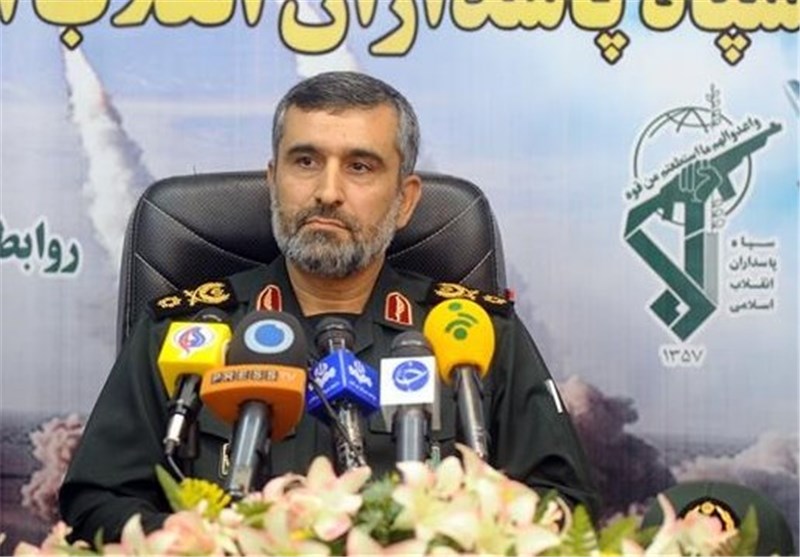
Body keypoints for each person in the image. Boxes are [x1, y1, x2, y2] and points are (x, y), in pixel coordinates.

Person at [59, 71, 600, 543]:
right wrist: (214, 545)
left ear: (405, 199)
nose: (327, 191)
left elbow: (563, 505)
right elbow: (97, 502)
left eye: (360, 166)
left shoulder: (477, 334)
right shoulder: (185, 331)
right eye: (305, 161)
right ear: (273, 180)